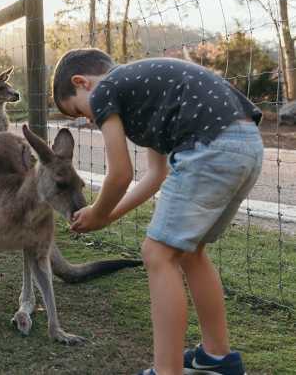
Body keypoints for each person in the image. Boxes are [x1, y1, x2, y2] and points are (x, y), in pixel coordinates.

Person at [52, 48, 262, 375]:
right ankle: (218, 357)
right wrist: (106, 216)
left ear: (82, 83)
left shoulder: (106, 90)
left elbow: (120, 173)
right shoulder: (146, 91)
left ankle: (167, 371)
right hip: (246, 144)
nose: (91, 120)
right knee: (190, 252)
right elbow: (155, 175)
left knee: (157, 253)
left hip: (209, 147)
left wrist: (96, 212)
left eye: (81, 111)